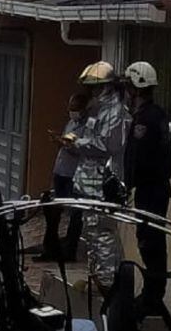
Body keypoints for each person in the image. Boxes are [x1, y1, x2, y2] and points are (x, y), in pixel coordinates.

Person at [71, 60, 131, 290]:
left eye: (96, 88)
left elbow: (108, 145)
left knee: (102, 232)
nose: (93, 92)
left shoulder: (116, 113)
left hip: (103, 182)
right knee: (92, 231)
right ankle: (97, 277)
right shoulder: (98, 110)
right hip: (89, 180)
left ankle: (107, 282)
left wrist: (79, 142)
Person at [123, 61, 171, 314]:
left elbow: (140, 157)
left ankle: (153, 296)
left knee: (150, 241)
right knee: (150, 239)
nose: (127, 92)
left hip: (151, 189)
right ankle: (152, 293)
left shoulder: (147, 119)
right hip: (153, 188)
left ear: (137, 88)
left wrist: (128, 183)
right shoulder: (155, 115)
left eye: (129, 87)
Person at [34, 93, 88, 263]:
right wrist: (59, 140)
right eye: (70, 109)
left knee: (75, 214)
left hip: (74, 174)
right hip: (61, 171)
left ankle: (69, 250)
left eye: (75, 109)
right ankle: (50, 248)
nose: (72, 112)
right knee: (53, 211)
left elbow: (82, 149)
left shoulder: (88, 127)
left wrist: (65, 145)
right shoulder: (70, 123)